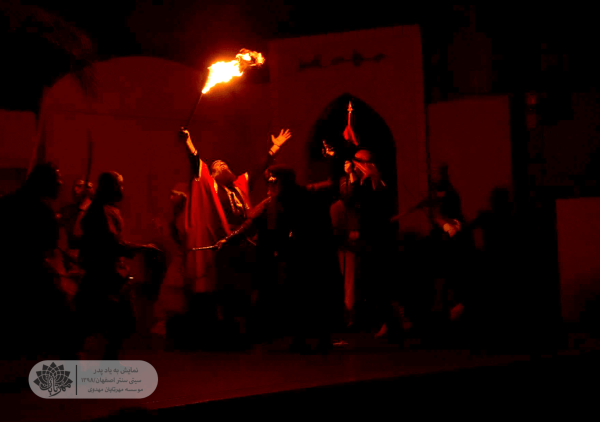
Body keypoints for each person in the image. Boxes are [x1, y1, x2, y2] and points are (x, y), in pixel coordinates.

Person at [178, 127, 292, 348]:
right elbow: (195, 163)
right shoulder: (211, 187)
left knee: (247, 288)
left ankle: (249, 331)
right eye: (217, 166)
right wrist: (188, 142)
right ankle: (227, 334)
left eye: (225, 164)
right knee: (226, 290)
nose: (222, 165)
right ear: (211, 175)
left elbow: (257, 169)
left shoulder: (239, 187)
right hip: (225, 244)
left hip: (246, 243)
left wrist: (274, 148)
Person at [216, 164, 341, 353]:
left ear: (285, 181)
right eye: (269, 181)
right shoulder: (271, 203)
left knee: (316, 297)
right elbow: (251, 223)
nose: (271, 184)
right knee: (296, 299)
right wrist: (228, 239)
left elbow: (333, 187)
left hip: (313, 257)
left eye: (274, 180)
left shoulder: (308, 195)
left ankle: (323, 338)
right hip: (291, 258)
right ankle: (300, 338)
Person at [75, 171, 160, 359]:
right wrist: (143, 248)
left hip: (112, 276)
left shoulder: (107, 209)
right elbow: (112, 244)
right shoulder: (99, 211)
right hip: (103, 277)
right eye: (119, 185)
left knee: (119, 324)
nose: (122, 189)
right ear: (110, 187)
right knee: (100, 324)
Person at [0, 162, 74, 359]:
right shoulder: (42, 208)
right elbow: (48, 243)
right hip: (29, 272)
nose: (61, 184)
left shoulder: (8, 201)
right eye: (57, 180)